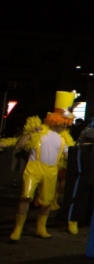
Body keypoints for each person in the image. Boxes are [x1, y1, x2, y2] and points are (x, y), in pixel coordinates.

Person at [9, 92, 76, 241]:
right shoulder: (39, 132)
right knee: (25, 197)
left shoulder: (64, 139)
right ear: (55, 120)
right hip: (34, 167)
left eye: (66, 122)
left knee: (46, 201)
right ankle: (17, 229)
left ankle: (41, 228)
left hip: (51, 171)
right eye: (63, 121)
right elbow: (19, 146)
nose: (65, 124)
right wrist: (30, 134)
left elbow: (69, 158)